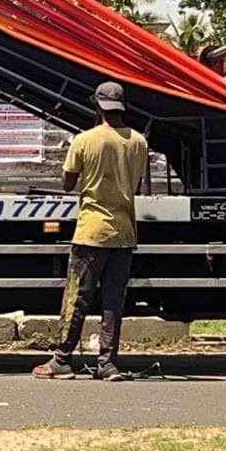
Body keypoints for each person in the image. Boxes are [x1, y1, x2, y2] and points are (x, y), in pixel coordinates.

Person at [32, 81, 148, 382]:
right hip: (124, 233)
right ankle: (107, 364)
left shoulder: (84, 140)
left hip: (91, 231)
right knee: (113, 302)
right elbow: (134, 186)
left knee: (77, 299)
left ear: (97, 106)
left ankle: (62, 360)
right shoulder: (138, 142)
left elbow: (67, 184)